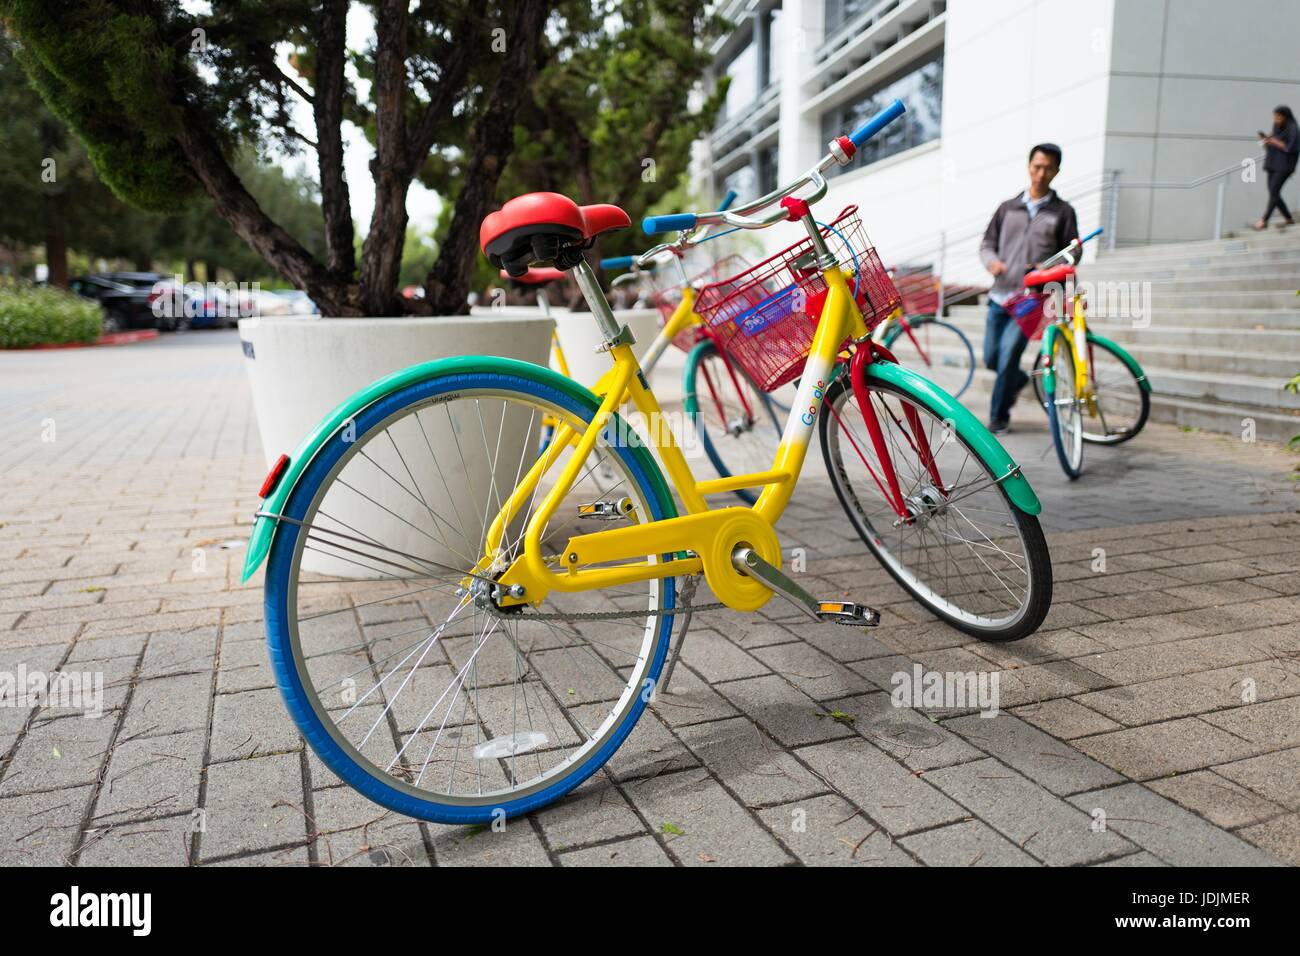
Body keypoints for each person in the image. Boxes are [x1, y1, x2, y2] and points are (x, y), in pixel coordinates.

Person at [978, 143, 1080, 434]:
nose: (1041, 173)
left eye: (1048, 168)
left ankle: (998, 418)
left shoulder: (1063, 212)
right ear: (1029, 167)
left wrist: (1046, 269)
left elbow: (1073, 252)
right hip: (999, 295)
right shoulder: (1007, 207)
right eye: (1037, 166)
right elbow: (987, 244)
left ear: (1056, 171)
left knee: (1009, 354)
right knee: (992, 359)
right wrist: (993, 262)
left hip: (1031, 299)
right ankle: (1019, 380)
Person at [1255, 105, 1298, 230]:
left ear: (1285, 117)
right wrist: (1266, 142)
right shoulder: (1276, 127)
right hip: (1272, 163)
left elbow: (1289, 147)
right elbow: (1272, 145)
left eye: (1278, 117)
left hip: (1285, 165)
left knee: (1274, 192)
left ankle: (1264, 220)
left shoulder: (1293, 129)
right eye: (1274, 117)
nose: (1275, 119)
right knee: (1274, 193)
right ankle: (1288, 218)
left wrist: (1273, 141)